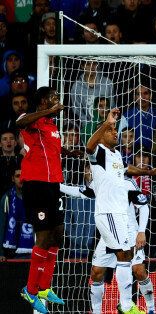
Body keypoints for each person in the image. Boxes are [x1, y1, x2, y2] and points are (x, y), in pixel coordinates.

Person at [86, 107, 156, 314]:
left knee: (98, 271)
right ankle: (127, 306)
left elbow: (126, 169)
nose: (115, 133)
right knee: (125, 256)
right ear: (102, 135)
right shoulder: (99, 152)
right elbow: (88, 147)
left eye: (115, 130)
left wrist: (147, 171)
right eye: (112, 131)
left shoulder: (116, 154)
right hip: (109, 214)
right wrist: (106, 124)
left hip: (117, 217)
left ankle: (100, 310)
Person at [59, 177, 155, 314]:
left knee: (138, 271)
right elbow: (81, 192)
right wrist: (57, 186)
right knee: (96, 272)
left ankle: (150, 309)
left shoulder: (126, 181)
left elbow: (143, 206)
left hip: (129, 231)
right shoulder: (98, 181)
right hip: (108, 233)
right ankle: (97, 311)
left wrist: (141, 231)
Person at [17, 87, 66, 313]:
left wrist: (67, 152)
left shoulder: (52, 125)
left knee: (57, 234)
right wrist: (49, 110)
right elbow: (21, 122)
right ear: (44, 100)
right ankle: (30, 289)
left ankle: (44, 287)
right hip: (36, 185)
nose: (57, 101)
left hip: (53, 184)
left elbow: (49, 149)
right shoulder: (30, 121)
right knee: (44, 236)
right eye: (53, 98)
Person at [0, 166, 34, 260]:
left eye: (24, 175)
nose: (21, 179)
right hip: (10, 251)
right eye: (18, 176)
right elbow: (1, 226)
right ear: (12, 178)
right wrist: (1, 253)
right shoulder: (7, 198)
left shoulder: (35, 198)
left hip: (32, 250)